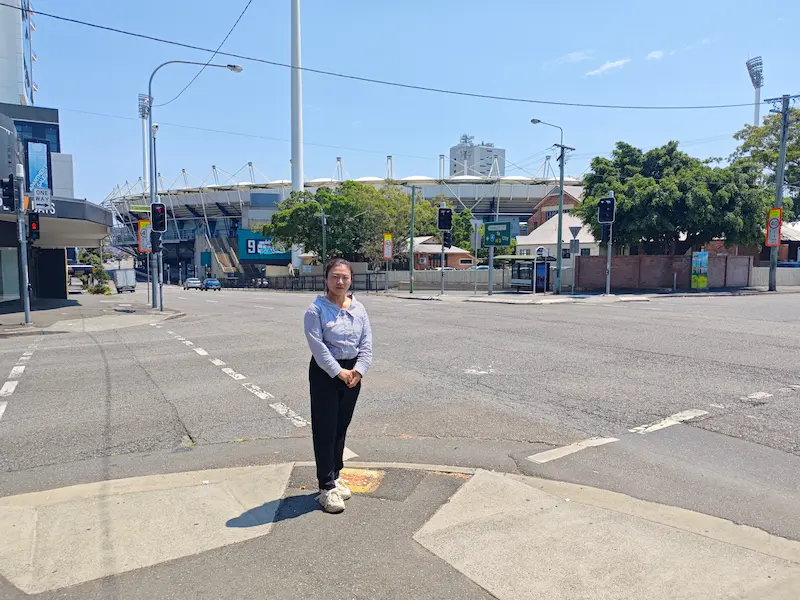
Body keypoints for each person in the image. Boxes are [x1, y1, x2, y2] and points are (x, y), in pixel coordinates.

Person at [303, 258, 373, 513]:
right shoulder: (316, 310)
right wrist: (339, 372)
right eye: (335, 276)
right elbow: (318, 348)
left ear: (350, 279)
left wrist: (359, 371)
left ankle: (336, 473)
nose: (340, 281)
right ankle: (326, 486)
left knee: (341, 426)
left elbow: (366, 343)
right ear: (326, 280)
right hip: (326, 372)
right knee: (325, 428)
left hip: (353, 372)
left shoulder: (359, 308)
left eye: (344, 277)